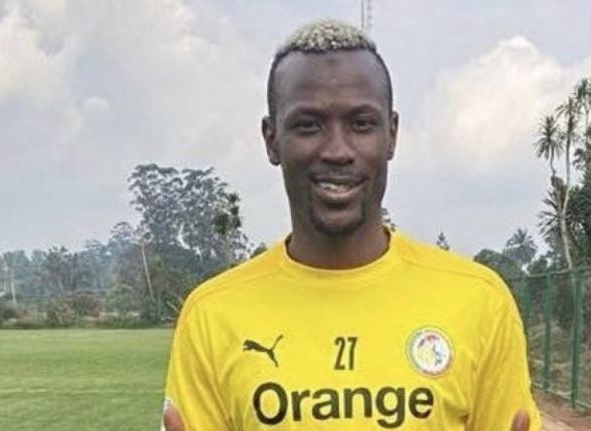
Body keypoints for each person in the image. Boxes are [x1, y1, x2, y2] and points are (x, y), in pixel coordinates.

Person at [162, 20, 541, 431]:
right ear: (272, 139)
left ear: (391, 134)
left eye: (361, 124)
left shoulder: (479, 302)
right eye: (308, 125)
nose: (337, 150)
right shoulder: (213, 315)